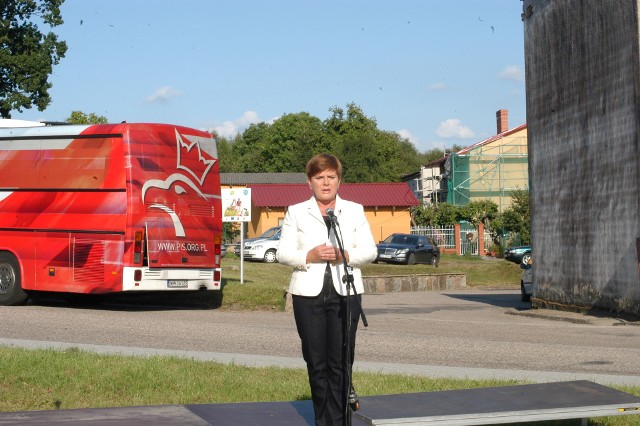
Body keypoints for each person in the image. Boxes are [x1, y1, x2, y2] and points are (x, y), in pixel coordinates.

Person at [277, 153, 377, 425]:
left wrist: (345, 255)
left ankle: (341, 421)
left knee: (341, 362)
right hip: (308, 295)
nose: (325, 183)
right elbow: (282, 253)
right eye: (319, 177)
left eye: (331, 177)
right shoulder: (296, 211)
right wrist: (309, 255)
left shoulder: (354, 209)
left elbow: (370, 250)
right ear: (309, 182)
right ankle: (325, 421)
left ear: (339, 180)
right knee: (317, 363)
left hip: (346, 292)